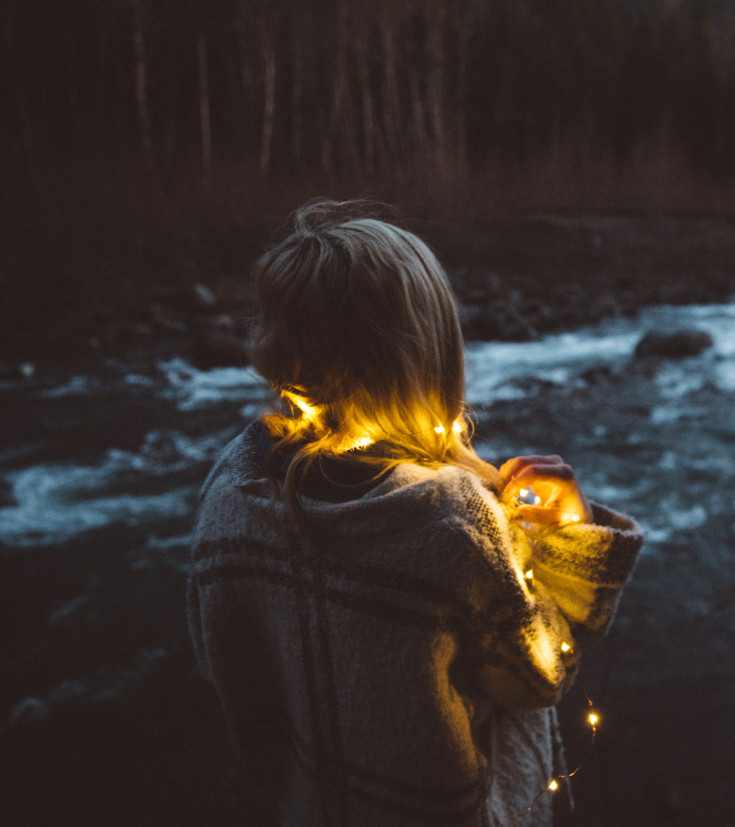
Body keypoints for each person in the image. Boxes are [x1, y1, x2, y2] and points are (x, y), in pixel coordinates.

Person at [187, 200, 644, 826]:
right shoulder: (454, 520)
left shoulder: (230, 494)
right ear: (429, 349)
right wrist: (568, 539)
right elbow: (540, 677)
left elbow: (225, 658)